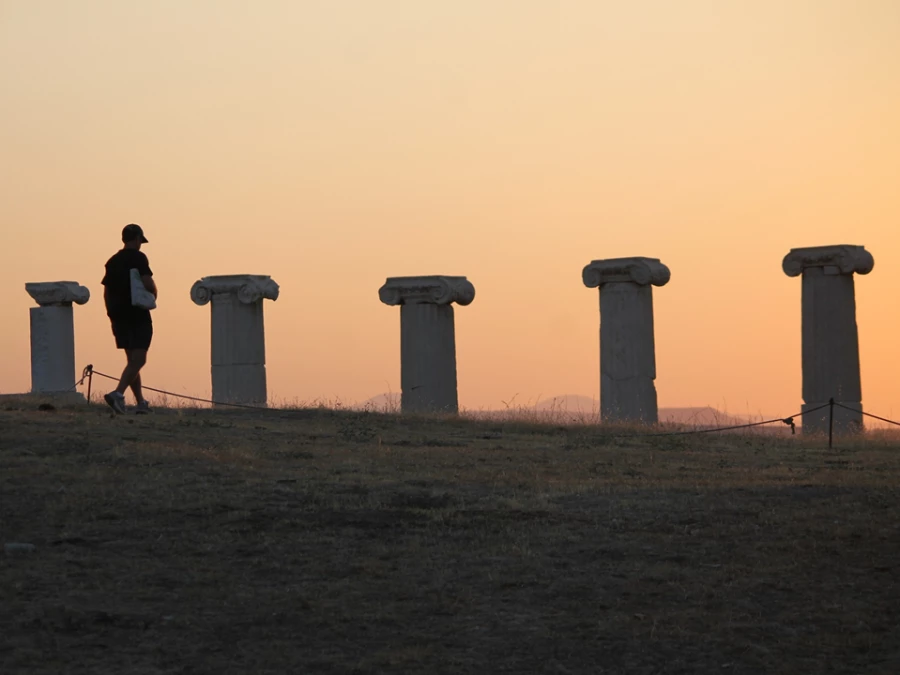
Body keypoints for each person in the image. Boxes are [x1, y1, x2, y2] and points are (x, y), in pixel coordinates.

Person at [101, 224, 158, 414]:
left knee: (131, 361)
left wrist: (111, 314)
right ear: (137, 239)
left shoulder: (112, 261)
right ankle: (117, 394)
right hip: (137, 313)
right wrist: (154, 293)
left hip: (118, 315)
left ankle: (141, 402)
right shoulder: (138, 258)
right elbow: (147, 282)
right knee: (139, 360)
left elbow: (106, 291)